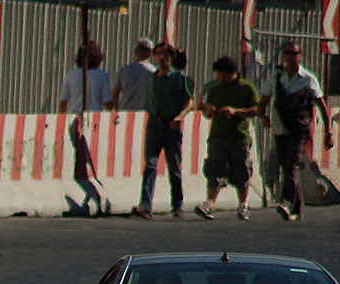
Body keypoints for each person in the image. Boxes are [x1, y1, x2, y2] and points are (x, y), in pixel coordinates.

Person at [261, 41, 332, 222]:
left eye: (294, 53)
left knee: (291, 165)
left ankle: (285, 201)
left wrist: (328, 131)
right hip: (280, 128)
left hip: (299, 129)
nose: (291, 57)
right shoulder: (276, 78)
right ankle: (297, 209)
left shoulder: (308, 79)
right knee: (287, 168)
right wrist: (263, 116)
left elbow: (322, 106)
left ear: (300, 55)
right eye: (287, 53)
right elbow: (263, 100)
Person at [195, 56, 261, 221]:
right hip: (218, 135)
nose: (221, 78)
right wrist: (208, 110)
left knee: (241, 170)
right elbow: (207, 110)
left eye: (224, 75)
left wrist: (235, 112)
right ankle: (210, 202)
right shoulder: (216, 89)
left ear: (234, 73)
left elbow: (256, 109)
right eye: (219, 75)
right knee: (213, 169)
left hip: (238, 136)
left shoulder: (247, 88)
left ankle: (243, 203)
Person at [132, 43, 194, 218]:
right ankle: (145, 205)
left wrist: (180, 116)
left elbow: (190, 102)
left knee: (173, 166)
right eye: (158, 54)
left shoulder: (178, 78)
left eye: (165, 55)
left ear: (171, 58)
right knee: (150, 165)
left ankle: (177, 204)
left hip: (171, 125)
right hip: (154, 124)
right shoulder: (153, 77)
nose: (161, 58)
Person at [59, 42, 112, 114]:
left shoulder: (71, 75)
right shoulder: (103, 75)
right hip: (95, 116)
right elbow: (107, 101)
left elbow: (63, 101)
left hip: (74, 115)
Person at [110, 37, 157, 112]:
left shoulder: (124, 70)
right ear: (151, 53)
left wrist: (116, 109)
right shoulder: (154, 72)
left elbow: (115, 92)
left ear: (135, 52)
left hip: (126, 114)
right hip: (146, 114)